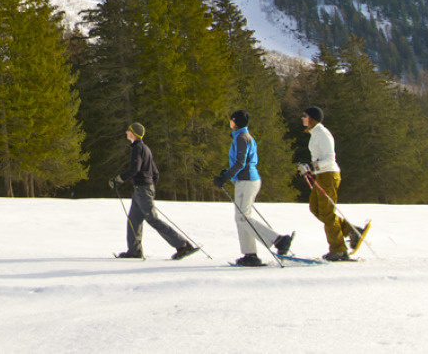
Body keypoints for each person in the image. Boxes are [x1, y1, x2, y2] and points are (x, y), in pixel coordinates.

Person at [213, 110, 293, 266]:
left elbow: (240, 163)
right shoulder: (241, 136)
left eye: (231, 120)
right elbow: (240, 162)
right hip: (244, 180)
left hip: (247, 181)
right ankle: (250, 254)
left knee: (243, 217)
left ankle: (278, 240)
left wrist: (225, 177)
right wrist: (227, 174)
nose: (230, 122)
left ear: (235, 121)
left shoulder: (242, 137)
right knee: (240, 217)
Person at [110, 122, 199, 260]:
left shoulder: (137, 148)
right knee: (133, 220)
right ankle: (134, 251)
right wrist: (150, 188)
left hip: (142, 190)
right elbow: (155, 173)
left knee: (153, 219)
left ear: (133, 134)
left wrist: (119, 179)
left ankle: (182, 245)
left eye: (128, 130)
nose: (126, 132)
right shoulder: (146, 148)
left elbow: (135, 169)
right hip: (141, 190)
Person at [299, 106, 364, 261]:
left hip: (329, 175)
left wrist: (311, 167)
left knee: (327, 213)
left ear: (312, 118)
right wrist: (309, 168)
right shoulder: (315, 133)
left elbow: (329, 158)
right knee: (315, 208)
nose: (302, 118)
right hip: (321, 175)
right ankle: (351, 230)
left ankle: (338, 249)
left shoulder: (322, 134)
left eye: (305, 116)